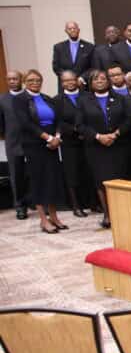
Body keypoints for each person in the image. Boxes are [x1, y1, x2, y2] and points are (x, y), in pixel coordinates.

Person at [13, 70, 66, 233]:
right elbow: (26, 123)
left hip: (52, 144)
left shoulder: (47, 98)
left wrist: (57, 137)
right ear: (24, 82)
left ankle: (54, 217)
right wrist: (48, 138)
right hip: (34, 144)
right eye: (31, 80)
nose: (35, 83)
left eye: (38, 80)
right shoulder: (19, 99)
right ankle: (43, 220)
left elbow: (59, 120)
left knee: (52, 180)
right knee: (39, 181)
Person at [77, 69, 127, 228]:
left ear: (108, 81)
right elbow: (80, 125)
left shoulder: (120, 98)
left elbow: (129, 120)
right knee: (101, 181)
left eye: (103, 78)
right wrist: (98, 136)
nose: (99, 81)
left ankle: (121, 214)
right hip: (96, 147)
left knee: (119, 180)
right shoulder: (83, 101)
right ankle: (107, 215)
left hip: (117, 145)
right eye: (95, 79)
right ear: (91, 83)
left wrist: (115, 134)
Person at [58, 70, 94, 216]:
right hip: (70, 142)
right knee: (72, 174)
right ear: (62, 83)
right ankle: (76, 206)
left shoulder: (88, 96)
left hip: (89, 140)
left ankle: (94, 203)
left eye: (72, 79)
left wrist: (86, 132)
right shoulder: (57, 100)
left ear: (77, 80)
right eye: (66, 80)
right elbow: (59, 122)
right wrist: (76, 130)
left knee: (91, 172)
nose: (70, 83)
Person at [0, 71, 29, 219]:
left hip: (32, 140)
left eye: (15, 79)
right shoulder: (2, 99)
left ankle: (40, 203)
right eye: (10, 79)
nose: (12, 81)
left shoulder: (29, 96)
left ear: (21, 80)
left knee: (36, 172)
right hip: (13, 142)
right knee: (16, 175)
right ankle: (20, 206)